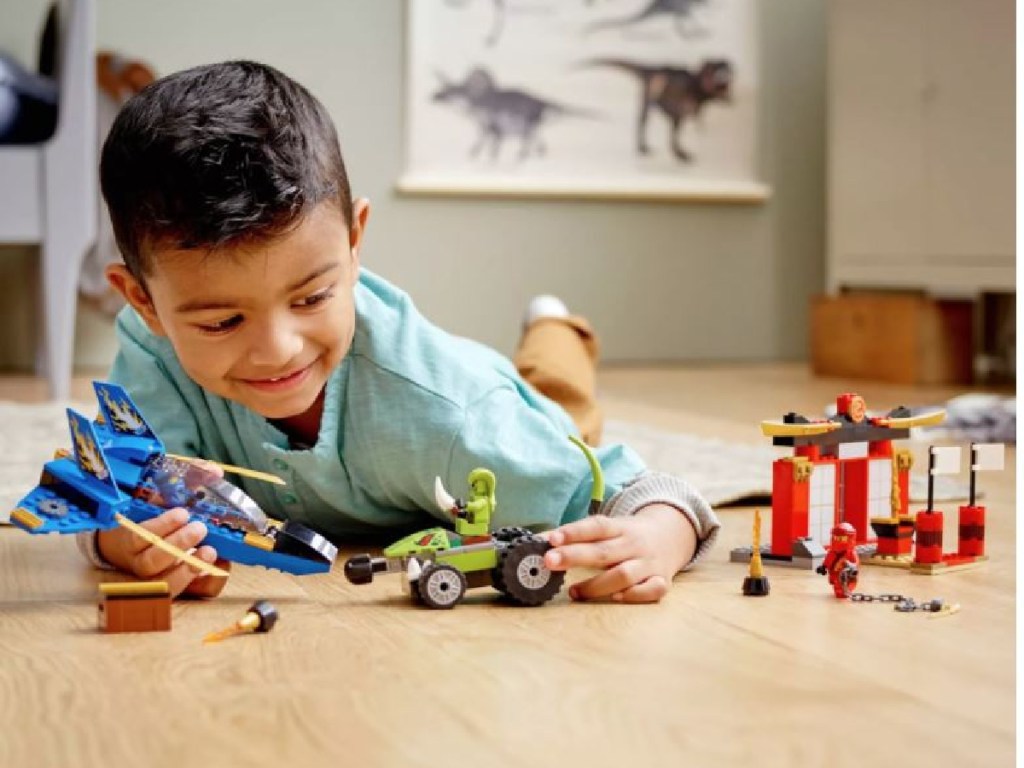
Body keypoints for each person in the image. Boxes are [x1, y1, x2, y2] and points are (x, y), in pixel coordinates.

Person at [79, 60, 720, 603]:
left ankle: (556, 329)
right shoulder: (149, 350)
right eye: (221, 321)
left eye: (312, 297)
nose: (278, 350)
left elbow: (642, 488)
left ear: (355, 243)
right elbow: (115, 494)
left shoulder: (456, 416)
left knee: (561, 402)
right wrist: (125, 541)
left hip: (474, 404)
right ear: (144, 304)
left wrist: (661, 536)